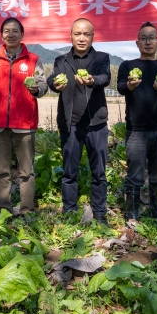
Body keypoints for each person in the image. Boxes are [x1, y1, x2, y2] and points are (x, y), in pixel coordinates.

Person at [0, 17, 48, 216]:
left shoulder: (33, 59)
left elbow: (43, 84)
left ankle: (27, 210)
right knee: (2, 170)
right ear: (1, 35)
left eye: (15, 31)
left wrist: (37, 89)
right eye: (7, 31)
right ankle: (3, 209)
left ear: (22, 35)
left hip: (24, 123)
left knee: (27, 171)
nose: (11, 34)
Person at [48, 18, 111, 224]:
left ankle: (100, 212)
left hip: (96, 124)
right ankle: (69, 211)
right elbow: (52, 79)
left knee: (99, 172)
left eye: (86, 34)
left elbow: (105, 78)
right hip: (70, 124)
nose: (81, 38)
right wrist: (56, 84)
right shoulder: (61, 60)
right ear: (71, 36)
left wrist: (92, 80)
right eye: (77, 34)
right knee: (69, 172)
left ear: (92, 37)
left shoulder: (102, 58)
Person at [117, 22, 157, 225]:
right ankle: (132, 213)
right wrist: (130, 85)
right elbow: (121, 87)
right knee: (134, 172)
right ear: (137, 42)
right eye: (144, 38)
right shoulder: (127, 66)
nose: (148, 41)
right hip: (136, 129)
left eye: (152, 38)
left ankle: (156, 213)